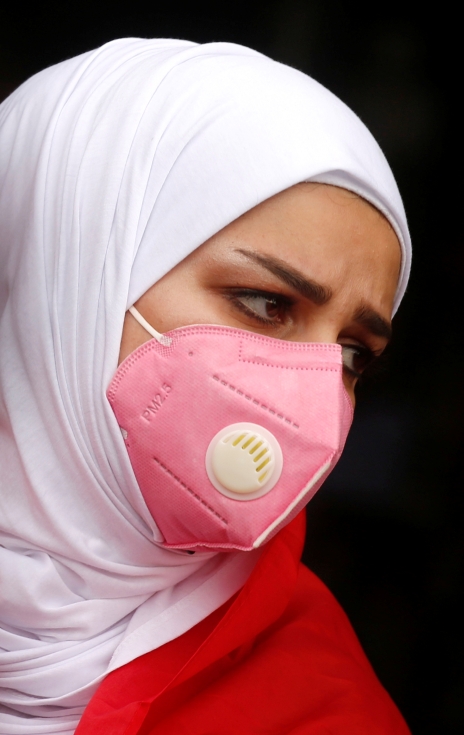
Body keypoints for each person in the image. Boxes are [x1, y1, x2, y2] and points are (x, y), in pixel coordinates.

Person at [0, 39, 411, 734]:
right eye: (265, 302)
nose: (315, 397)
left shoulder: (324, 711)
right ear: (69, 273)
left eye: (353, 355)